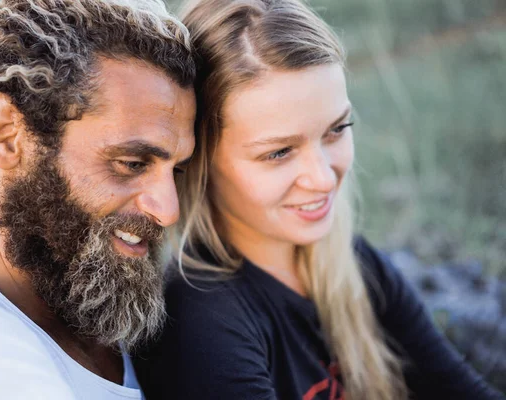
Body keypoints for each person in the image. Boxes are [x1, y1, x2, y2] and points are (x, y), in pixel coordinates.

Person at [132, 0, 506, 399]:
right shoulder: (203, 322)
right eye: (279, 152)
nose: (325, 178)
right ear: (201, 158)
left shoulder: (355, 265)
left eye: (337, 129)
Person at [0, 0, 195, 398]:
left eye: (177, 170)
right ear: (5, 134)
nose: (168, 210)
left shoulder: (117, 320)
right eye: (131, 163)